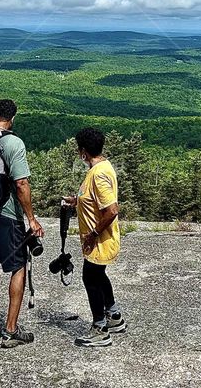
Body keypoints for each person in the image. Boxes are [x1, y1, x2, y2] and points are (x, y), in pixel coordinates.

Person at [0, 99, 45, 348]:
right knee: (18, 267)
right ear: (13, 118)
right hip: (7, 215)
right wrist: (32, 219)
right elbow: (21, 184)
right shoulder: (14, 143)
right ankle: (10, 330)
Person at [63, 127, 125, 347]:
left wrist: (93, 234)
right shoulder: (103, 166)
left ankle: (100, 329)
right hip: (103, 240)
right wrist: (76, 201)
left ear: (83, 151)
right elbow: (95, 200)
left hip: (99, 241)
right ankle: (114, 317)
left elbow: (112, 209)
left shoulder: (97, 174)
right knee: (98, 277)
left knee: (90, 278)